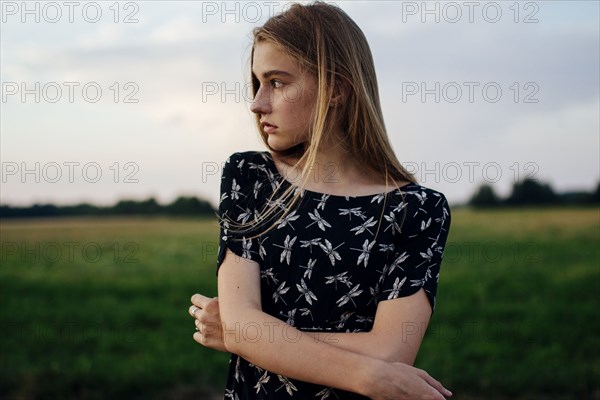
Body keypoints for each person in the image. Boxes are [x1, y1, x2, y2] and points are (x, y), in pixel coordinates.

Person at [189, 2, 453, 399]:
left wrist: (250, 336)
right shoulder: (251, 178)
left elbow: (391, 351)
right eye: (257, 83)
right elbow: (244, 325)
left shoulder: (416, 209)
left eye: (277, 82)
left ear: (338, 88)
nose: (257, 103)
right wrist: (368, 376)